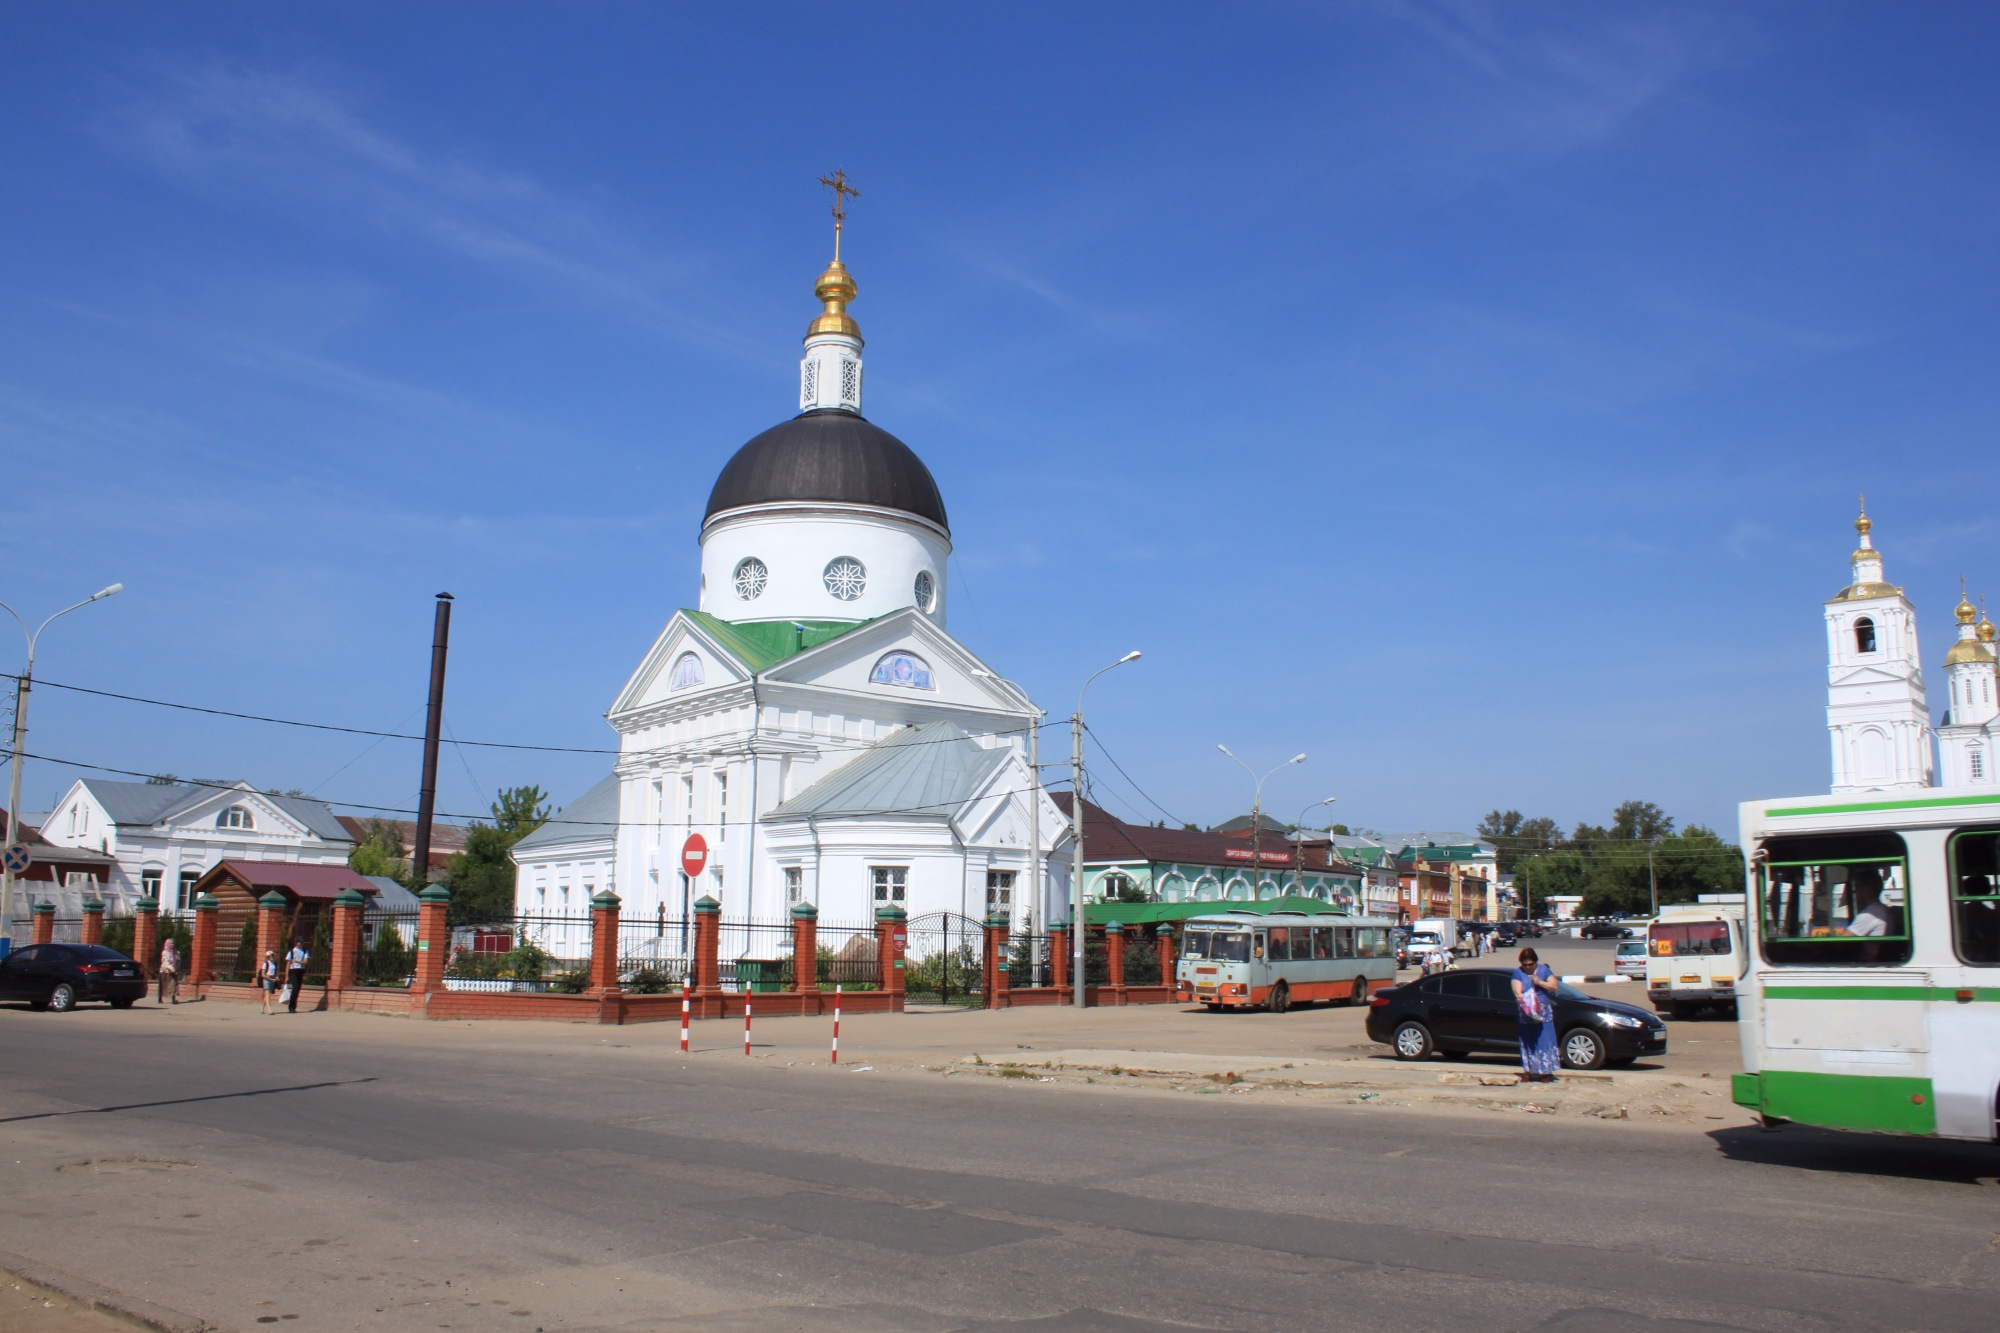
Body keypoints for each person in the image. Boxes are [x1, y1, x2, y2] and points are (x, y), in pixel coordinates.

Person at [1511, 947, 1560, 1083]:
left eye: (1530, 964)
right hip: (1527, 1014)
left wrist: (1540, 982)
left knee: (1544, 1040)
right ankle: (1529, 1071)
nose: (1527, 967)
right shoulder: (1518, 973)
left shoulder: (1543, 970)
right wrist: (1525, 1001)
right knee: (1528, 1041)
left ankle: (1545, 1072)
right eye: (1525, 964)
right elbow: (1516, 990)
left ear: (1535, 962)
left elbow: (1554, 986)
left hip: (1543, 1012)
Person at [284, 936, 309, 1013]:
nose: (300, 944)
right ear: (296, 942)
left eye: (301, 942)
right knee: (295, 987)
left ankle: (294, 1007)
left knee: (297, 988)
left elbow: (306, 962)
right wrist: (286, 976)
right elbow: (288, 964)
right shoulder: (291, 951)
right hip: (293, 970)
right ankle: (291, 1007)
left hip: (300, 970)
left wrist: (298, 961)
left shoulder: (304, 951)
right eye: (299, 942)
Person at [157, 937, 180, 1005]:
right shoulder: (165, 952)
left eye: (173, 943)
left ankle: (173, 999)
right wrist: (171, 968)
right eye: (171, 943)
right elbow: (165, 962)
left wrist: (176, 968)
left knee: (173, 984)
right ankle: (160, 998)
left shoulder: (175, 952)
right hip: (165, 971)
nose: (172, 945)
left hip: (173, 971)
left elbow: (177, 961)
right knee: (163, 985)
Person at [258, 950, 280, 1015]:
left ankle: (262, 1007)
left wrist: (276, 977)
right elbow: (263, 974)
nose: (272, 957)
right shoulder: (266, 964)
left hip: (272, 979)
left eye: (272, 955)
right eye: (270, 956)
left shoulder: (275, 964)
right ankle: (269, 1009)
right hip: (267, 979)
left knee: (268, 994)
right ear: (267, 957)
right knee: (267, 995)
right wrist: (270, 979)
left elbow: (277, 973)